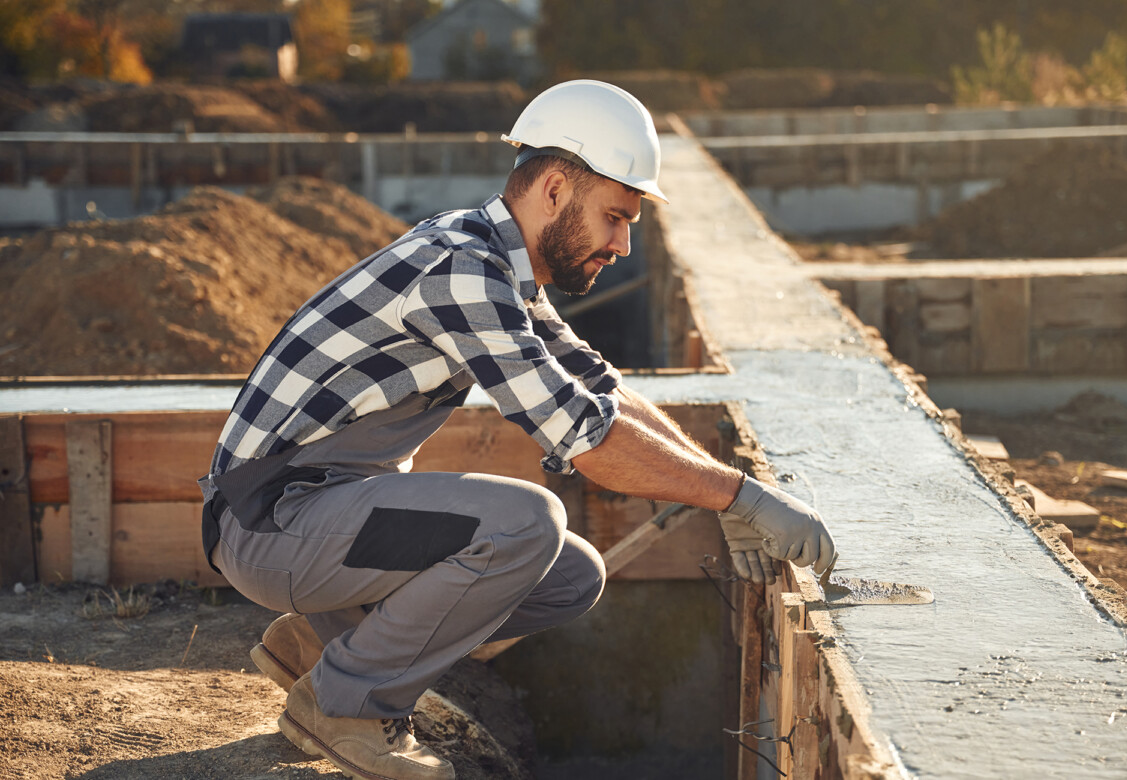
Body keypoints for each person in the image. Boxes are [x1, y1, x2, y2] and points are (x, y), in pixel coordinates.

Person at [198, 80, 835, 780]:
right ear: (555, 190)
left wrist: (727, 494)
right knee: (526, 523)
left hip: (314, 512)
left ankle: (323, 647)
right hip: (270, 521)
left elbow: (602, 391)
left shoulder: (498, 266)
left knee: (569, 576)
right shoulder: (461, 270)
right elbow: (584, 438)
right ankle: (344, 706)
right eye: (615, 218)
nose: (624, 245)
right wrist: (741, 497)